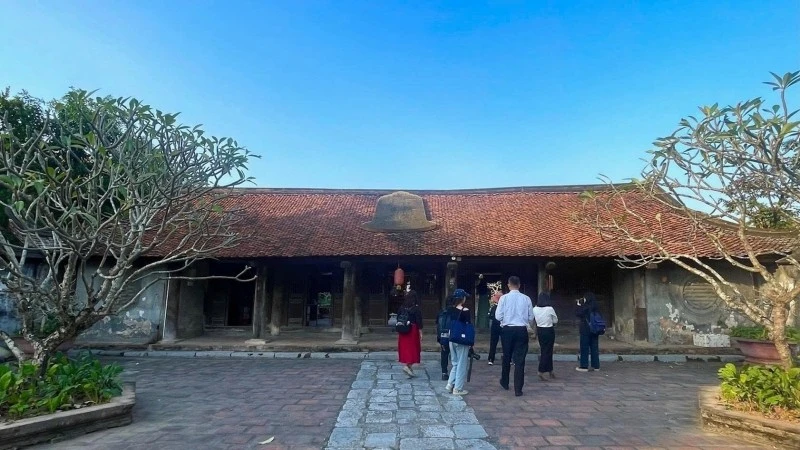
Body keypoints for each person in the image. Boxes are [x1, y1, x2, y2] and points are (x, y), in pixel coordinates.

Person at [494, 276, 534, 397]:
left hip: (507, 330)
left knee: (507, 356)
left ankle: (505, 381)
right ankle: (518, 389)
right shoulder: (526, 298)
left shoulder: (504, 298)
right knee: (520, 360)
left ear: (508, 285)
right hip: (521, 330)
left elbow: (498, 316)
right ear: (519, 285)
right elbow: (531, 317)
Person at [445, 288, 472, 396]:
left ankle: (450, 384)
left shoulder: (450, 310)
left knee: (455, 363)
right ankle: (458, 388)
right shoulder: (465, 311)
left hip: (452, 337)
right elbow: (468, 326)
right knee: (462, 364)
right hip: (462, 338)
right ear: (462, 299)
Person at [397, 290, 423, 378]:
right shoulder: (416, 308)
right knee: (414, 349)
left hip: (403, 330)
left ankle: (410, 370)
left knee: (406, 349)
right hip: (412, 330)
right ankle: (408, 366)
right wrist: (420, 331)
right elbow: (419, 321)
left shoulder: (402, 307)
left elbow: (398, 318)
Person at [533, 292, 558, 380]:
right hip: (549, 330)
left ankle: (550, 370)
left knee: (544, 349)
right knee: (548, 351)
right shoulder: (549, 309)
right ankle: (541, 370)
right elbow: (555, 320)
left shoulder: (535, 309)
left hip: (540, 330)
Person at [576, 291, 600, 372]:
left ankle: (584, 366)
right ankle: (596, 366)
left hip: (585, 329)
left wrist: (579, 305)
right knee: (594, 348)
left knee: (584, 347)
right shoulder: (596, 306)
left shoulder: (585, 306)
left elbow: (578, 313)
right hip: (595, 329)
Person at [436, 295, 456, 380]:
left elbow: (438, 325)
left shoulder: (441, 312)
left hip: (443, 336)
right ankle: (455, 373)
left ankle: (444, 372)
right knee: (456, 355)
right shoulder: (457, 312)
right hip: (454, 336)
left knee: (444, 354)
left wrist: (439, 338)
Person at [487, 290, 503, 365]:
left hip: (495, 326)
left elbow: (490, 316)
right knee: (506, 343)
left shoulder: (494, 307)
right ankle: (509, 359)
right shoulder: (504, 307)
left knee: (493, 343)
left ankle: (491, 359)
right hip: (502, 325)